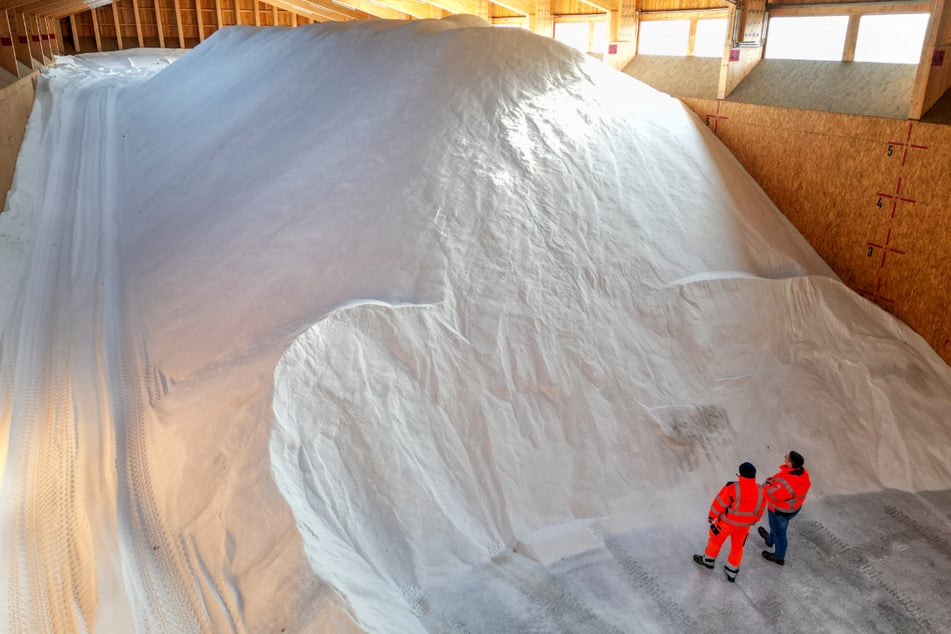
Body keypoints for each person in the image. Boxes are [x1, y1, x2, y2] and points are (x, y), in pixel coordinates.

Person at [693, 462, 766, 583]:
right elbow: (761, 509)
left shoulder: (732, 488)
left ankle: (708, 561)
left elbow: (719, 503)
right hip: (744, 527)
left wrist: (712, 516)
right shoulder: (761, 491)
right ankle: (732, 571)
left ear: (741, 474)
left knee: (715, 541)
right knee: (737, 548)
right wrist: (754, 520)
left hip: (726, 524)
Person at [758, 450, 811, 565]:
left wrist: (766, 485)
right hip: (793, 508)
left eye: (787, 457)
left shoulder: (789, 482)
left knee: (780, 534)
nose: (785, 457)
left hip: (780, 511)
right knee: (775, 528)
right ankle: (770, 540)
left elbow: (772, 493)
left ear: (791, 464)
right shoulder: (802, 472)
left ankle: (779, 557)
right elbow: (780, 479)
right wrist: (771, 480)